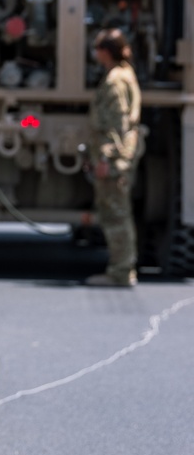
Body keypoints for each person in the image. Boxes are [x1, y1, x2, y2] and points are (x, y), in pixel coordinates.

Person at [85, 28, 142, 288]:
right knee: (117, 212)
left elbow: (116, 122)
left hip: (116, 157)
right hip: (120, 154)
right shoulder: (122, 75)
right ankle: (122, 269)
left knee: (116, 213)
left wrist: (106, 158)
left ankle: (121, 272)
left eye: (97, 48)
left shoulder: (115, 81)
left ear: (105, 52)